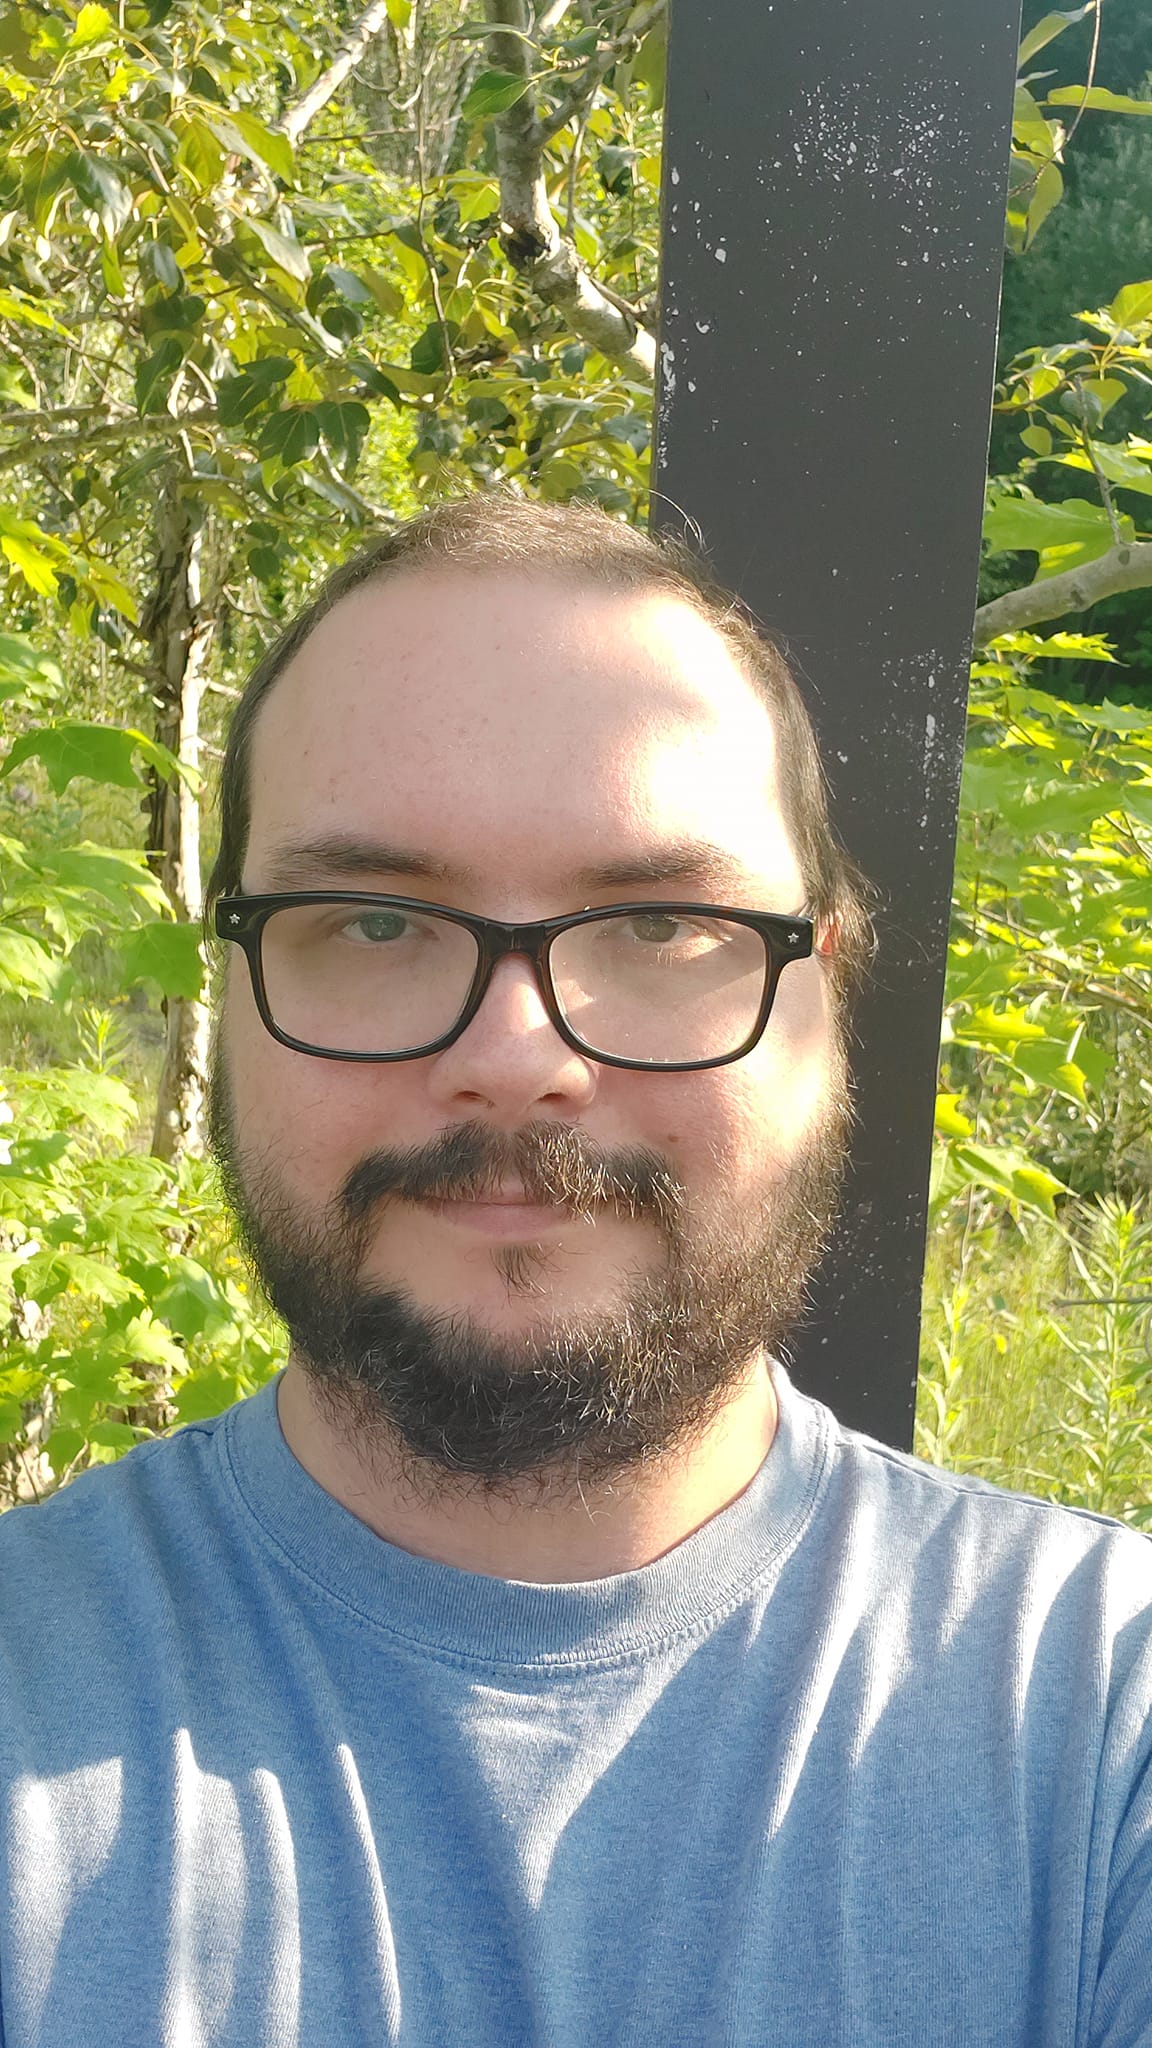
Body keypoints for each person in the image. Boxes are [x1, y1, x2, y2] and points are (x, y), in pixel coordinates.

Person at [0, 495, 1149, 2048]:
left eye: (664, 922)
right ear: (230, 992)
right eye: (376, 919)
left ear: (833, 999)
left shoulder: (1106, 1736)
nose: (514, 1057)